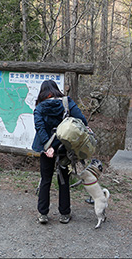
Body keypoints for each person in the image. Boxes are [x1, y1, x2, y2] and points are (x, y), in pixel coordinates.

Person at [32, 79, 88, 224]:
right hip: (65, 147)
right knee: (64, 180)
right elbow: (82, 120)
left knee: (46, 180)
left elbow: (39, 127)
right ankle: (64, 214)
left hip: (47, 149)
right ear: (56, 90)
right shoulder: (66, 102)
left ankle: (43, 214)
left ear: (42, 92)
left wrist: (47, 146)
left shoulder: (39, 107)